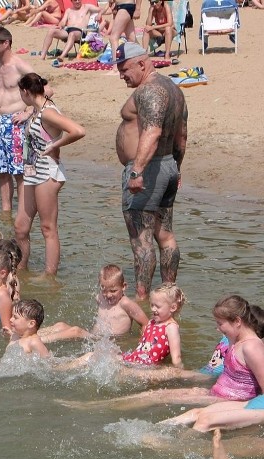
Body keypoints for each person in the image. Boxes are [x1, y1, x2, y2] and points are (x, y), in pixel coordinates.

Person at [72, 295, 264, 410]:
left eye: (220, 324)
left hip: (219, 394)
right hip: (213, 387)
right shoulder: (234, 340)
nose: (217, 329)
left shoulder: (251, 346)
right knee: (156, 394)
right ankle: (99, 405)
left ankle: (98, 405)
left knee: (159, 393)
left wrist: (240, 409)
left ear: (239, 322)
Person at [114, 42, 187, 301]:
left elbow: (153, 131)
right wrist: (175, 170)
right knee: (165, 235)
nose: (121, 75)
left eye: (124, 69)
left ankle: (142, 301)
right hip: (167, 166)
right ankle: (170, 294)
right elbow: (181, 137)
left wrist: (136, 171)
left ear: (142, 64)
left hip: (148, 171)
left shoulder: (149, 90)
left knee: (141, 241)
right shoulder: (174, 89)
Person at [14, 73, 85, 275]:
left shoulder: (47, 113)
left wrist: (55, 144)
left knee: (47, 228)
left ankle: (49, 276)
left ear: (26, 92)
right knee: (20, 227)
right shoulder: (39, 106)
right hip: (32, 171)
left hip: (47, 173)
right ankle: (22, 270)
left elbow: (78, 130)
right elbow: (47, 89)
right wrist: (29, 111)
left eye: (21, 93)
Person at [0, 27, 35, 214]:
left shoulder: (21, 66)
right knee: (2, 172)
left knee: (18, 172)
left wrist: (28, 112)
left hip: (16, 124)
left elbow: (46, 90)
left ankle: (22, 213)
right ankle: (6, 213)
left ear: (6, 43)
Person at [38, 264, 149, 343]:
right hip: (96, 337)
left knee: (76, 331)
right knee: (60, 325)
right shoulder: (100, 298)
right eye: (104, 290)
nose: (108, 295)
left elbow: (146, 324)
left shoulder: (126, 303)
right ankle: (30, 335)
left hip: (112, 341)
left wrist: (142, 343)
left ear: (124, 287)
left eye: (113, 291)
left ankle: (39, 341)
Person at [0, 299, 51, 377]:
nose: (10, 319)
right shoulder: (16, 335)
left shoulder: (33, 342)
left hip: (15, 375)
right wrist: (10, 334)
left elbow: (47, 362)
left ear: (31, 324)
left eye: (15, 317)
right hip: (4, 370)